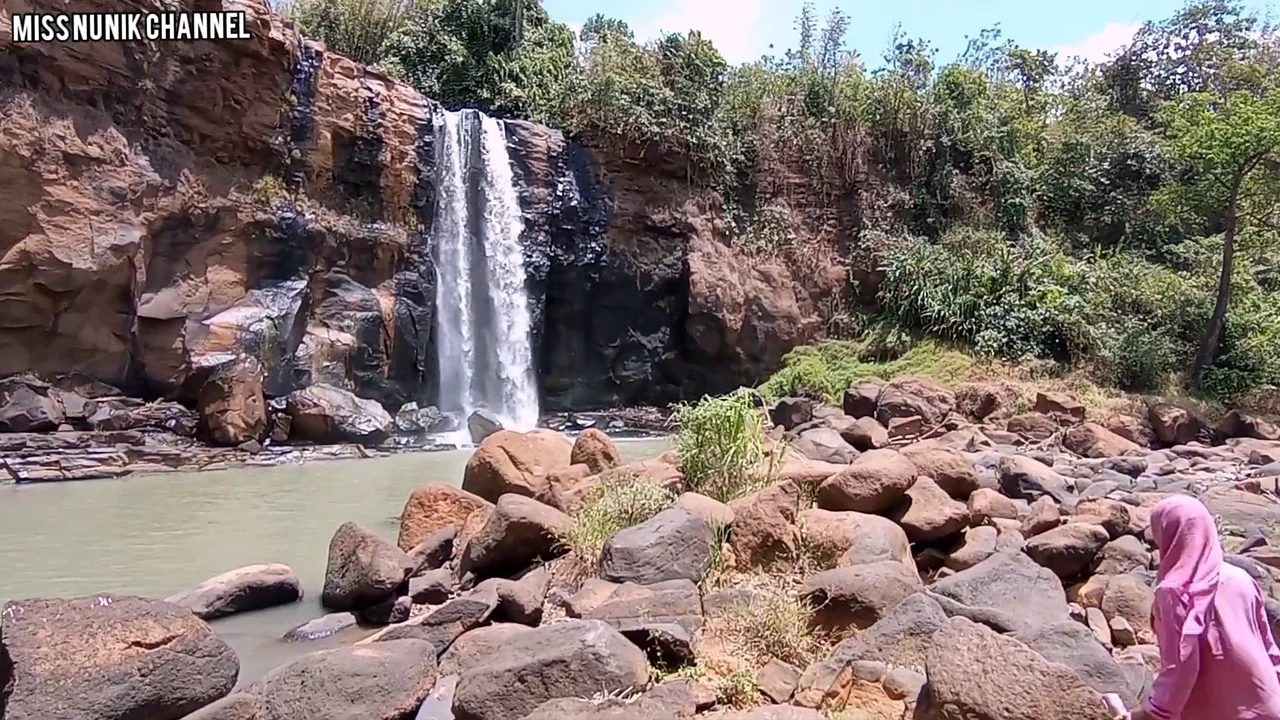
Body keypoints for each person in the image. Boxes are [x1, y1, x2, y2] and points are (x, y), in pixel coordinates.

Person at [1120, 495, 1280, 720]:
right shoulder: (1240, 577)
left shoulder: (1174, 591)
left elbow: (1182, 668)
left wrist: (1150, 714)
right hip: (1269, 704)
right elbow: (1269, 648)